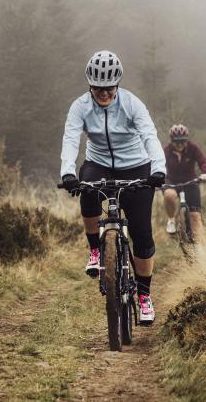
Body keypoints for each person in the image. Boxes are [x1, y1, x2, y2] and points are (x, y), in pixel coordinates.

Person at [60, 50, 166, 324]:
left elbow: (150, 136)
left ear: (117, 84)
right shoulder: (80, 106)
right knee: (86, 188)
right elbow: (71, 139)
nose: (104, 93)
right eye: (98, 88)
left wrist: (158, 169)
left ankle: (144, 296)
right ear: (90, 85)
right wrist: (67, 172)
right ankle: (96, 250)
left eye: (109, 88)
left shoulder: (132, 104)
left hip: (137, 167)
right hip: (99, 164)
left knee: (142, 234)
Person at [163, 124, 206, 240]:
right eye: (176, 142)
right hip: (171, 181)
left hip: (190, 181)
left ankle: (198, 244)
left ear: (187, 140)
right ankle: (171, 220)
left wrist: (205, 173)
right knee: (169, 195)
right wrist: (157, 177)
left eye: (182, 141)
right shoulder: (166, 151)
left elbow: (203, 162)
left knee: (195, 216)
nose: (180, 144)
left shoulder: (193, 148)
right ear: (171, 141)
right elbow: (158, 164)